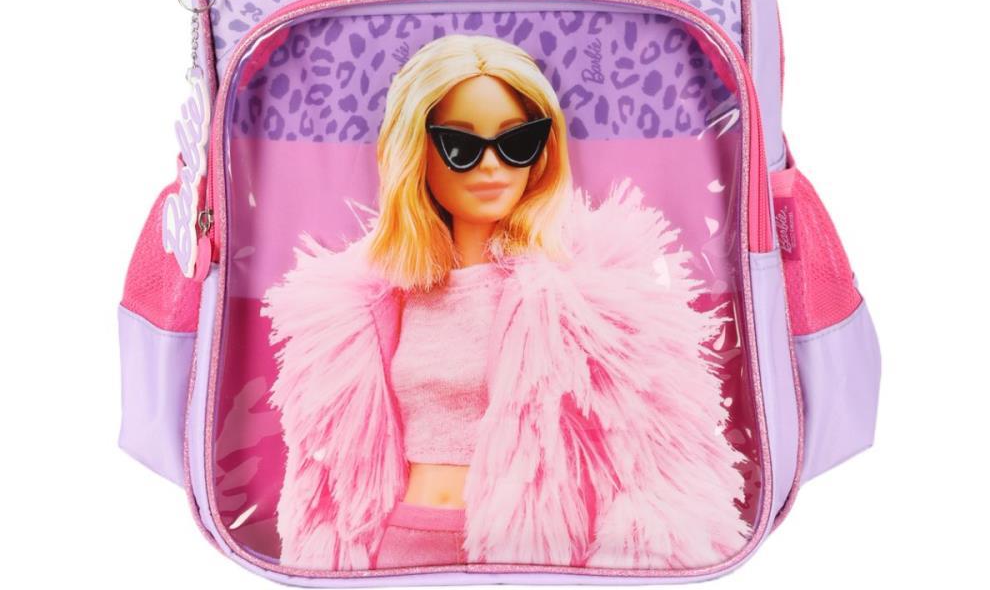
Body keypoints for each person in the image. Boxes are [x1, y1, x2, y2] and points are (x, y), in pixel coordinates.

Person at [262, 34, 749, 572]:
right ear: (415, 150)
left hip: (529, 555)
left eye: (518, 142)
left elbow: (650, 461)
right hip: (396, 546)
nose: (492, 166)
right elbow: (325, 478)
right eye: (460, 146)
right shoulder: (365, 306)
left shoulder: (593, 301)